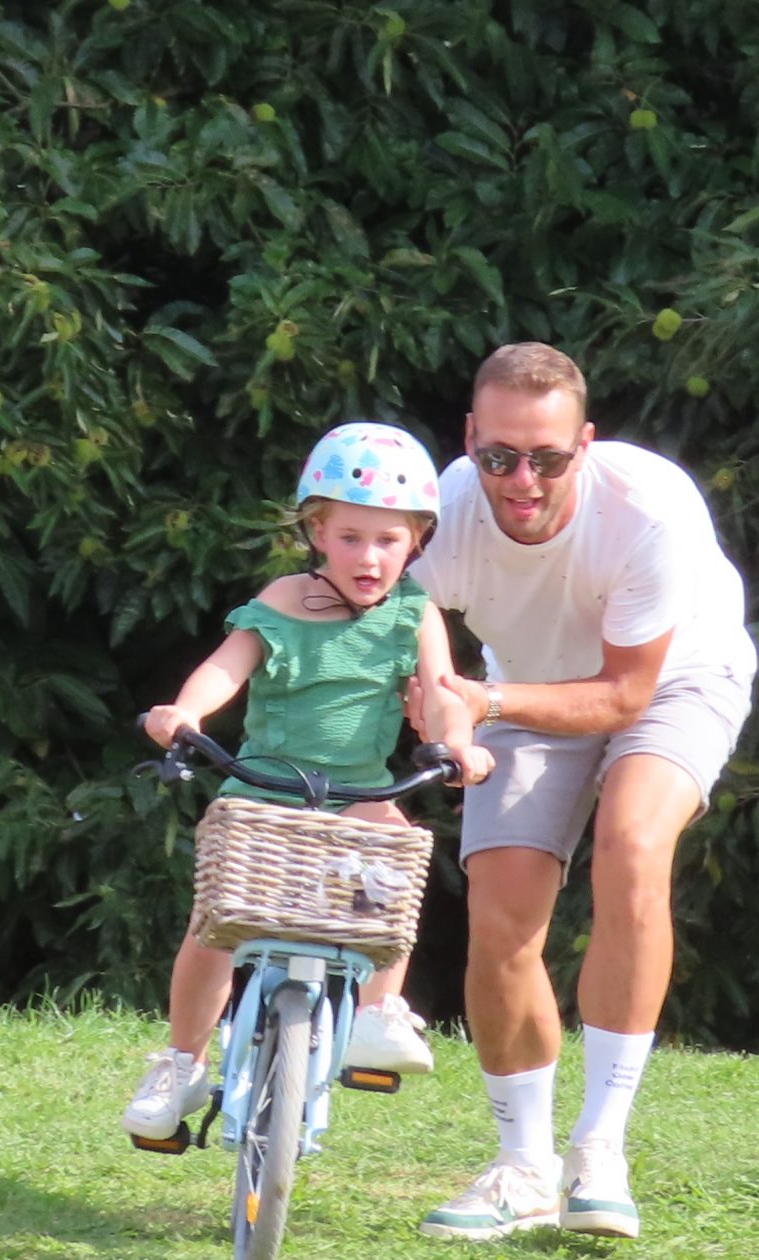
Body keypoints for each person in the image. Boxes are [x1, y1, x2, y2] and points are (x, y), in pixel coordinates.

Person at [405, 343, 755, 1241]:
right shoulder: (442, 510)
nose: (522, 481)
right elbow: (402, 618)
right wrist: (435, 698)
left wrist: (479, 701)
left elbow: (623, 696)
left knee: (633, 845)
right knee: (500, 905)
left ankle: (600, 1149)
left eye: (548, 458)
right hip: (523, 687)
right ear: (470, 439)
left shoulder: (645, 511)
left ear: (584, 445)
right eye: (499, 457)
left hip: (673, 679)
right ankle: (524, 1167)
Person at [121, 422, 494, 1141]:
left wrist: (459, 743)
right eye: (350, 537)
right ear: (317, 531)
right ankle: (181, 1062)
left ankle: (376, 1013)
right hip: (263, 790)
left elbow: (443, 691)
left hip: (358, 794)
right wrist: (186, 712)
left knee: (395, 864)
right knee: (215, 925)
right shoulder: (284, 599)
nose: (369, 556)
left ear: (417, 541)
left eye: (388, 540)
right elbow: (226, 666)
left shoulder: (415, 614)